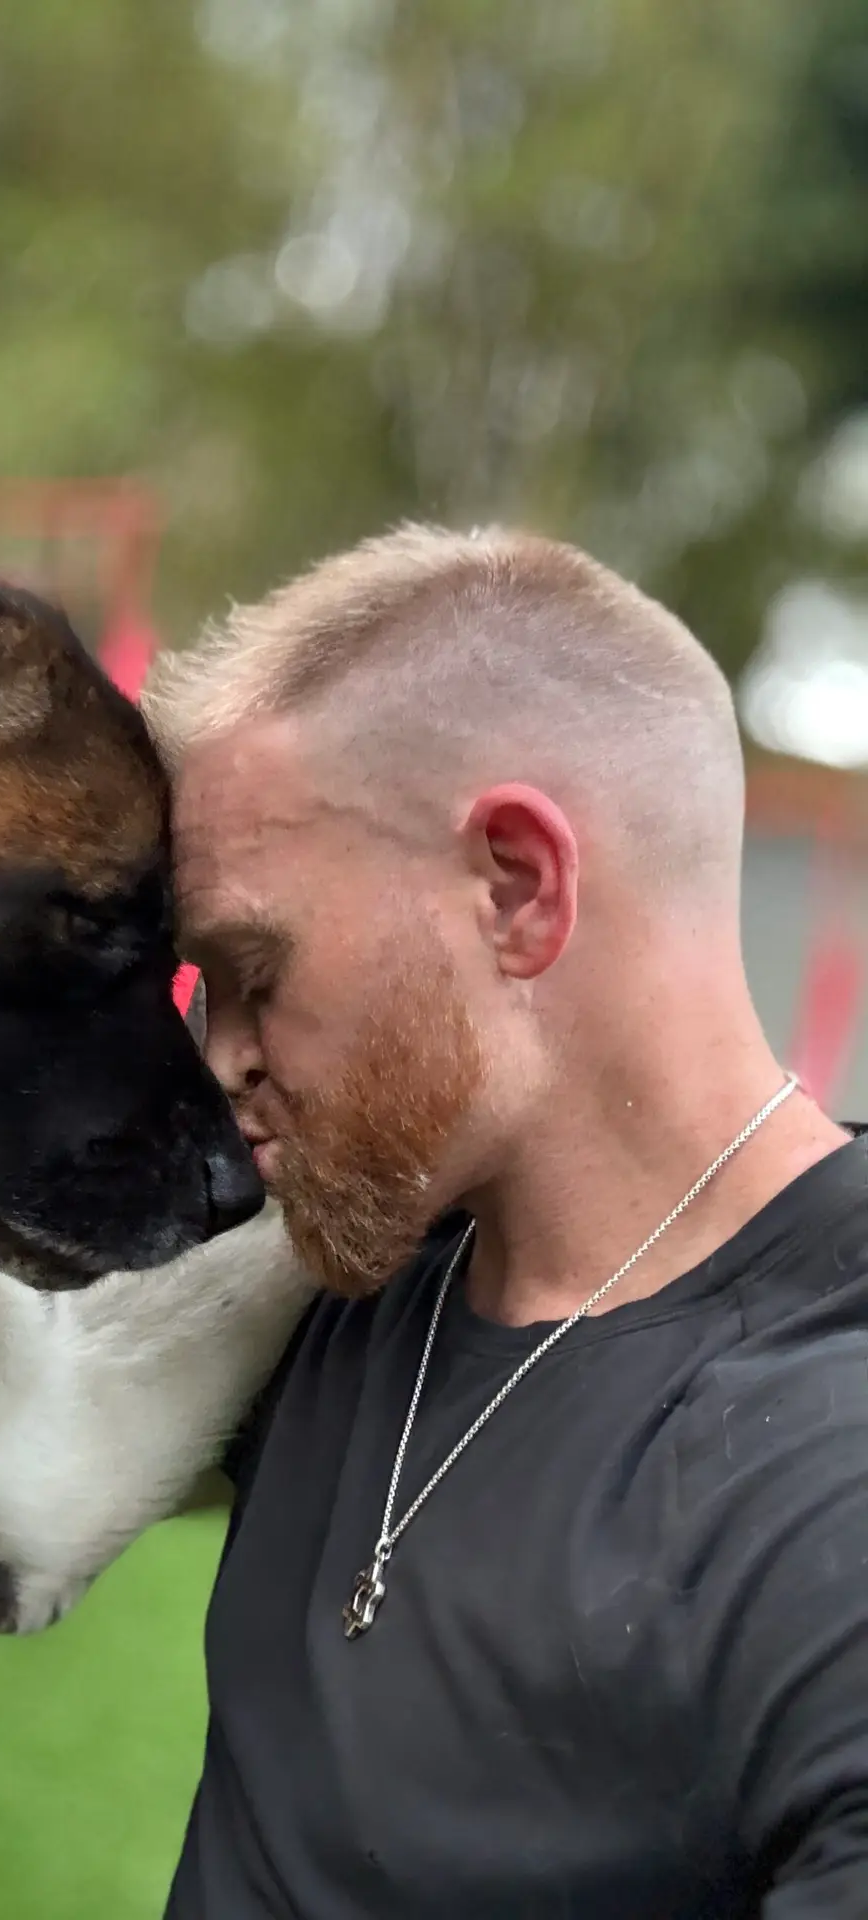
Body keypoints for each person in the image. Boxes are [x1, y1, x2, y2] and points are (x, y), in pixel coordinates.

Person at [143, 524, 868, 1919]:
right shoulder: (347, 1262)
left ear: (518, 888)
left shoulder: (826, 1472)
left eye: (253, 969)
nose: (216, 1057)